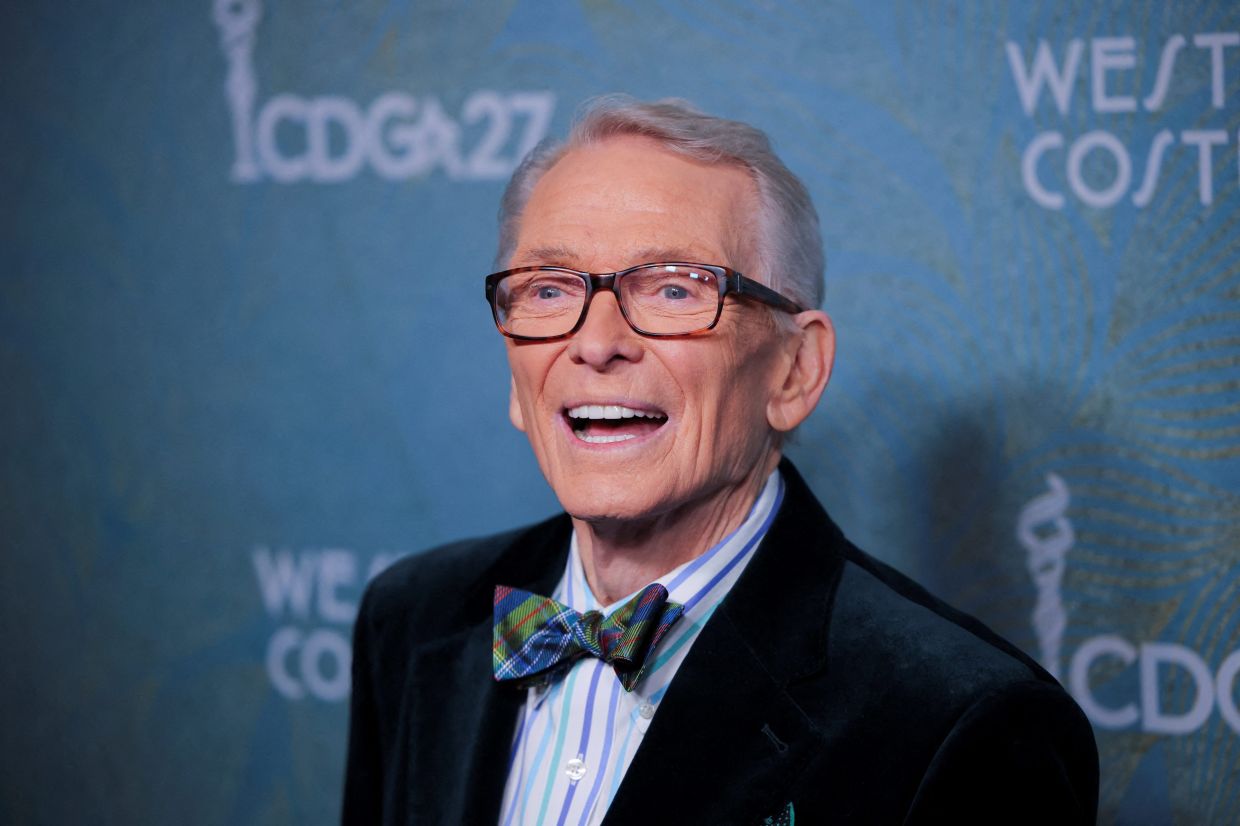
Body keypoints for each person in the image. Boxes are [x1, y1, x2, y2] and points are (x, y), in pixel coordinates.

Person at [342, 96, 1099, 825]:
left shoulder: (959, 722)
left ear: (795, 370)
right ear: (514, 372)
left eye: (674, 288)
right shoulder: (414, 621)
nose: (596, 341)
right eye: (549, 288)